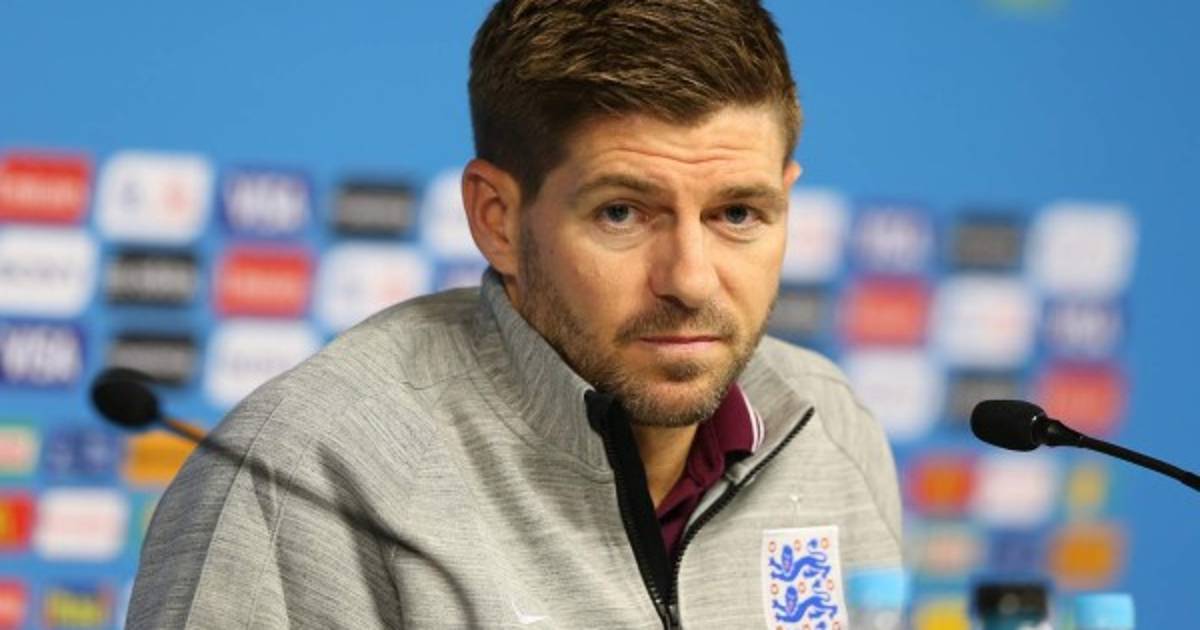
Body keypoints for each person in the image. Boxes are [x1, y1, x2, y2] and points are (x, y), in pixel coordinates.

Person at [128, 1, 902, 627]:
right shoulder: (304, 472)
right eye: (622, 213)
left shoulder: (827, 423)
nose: (691, 281)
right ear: (497, 219)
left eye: (737, 213)